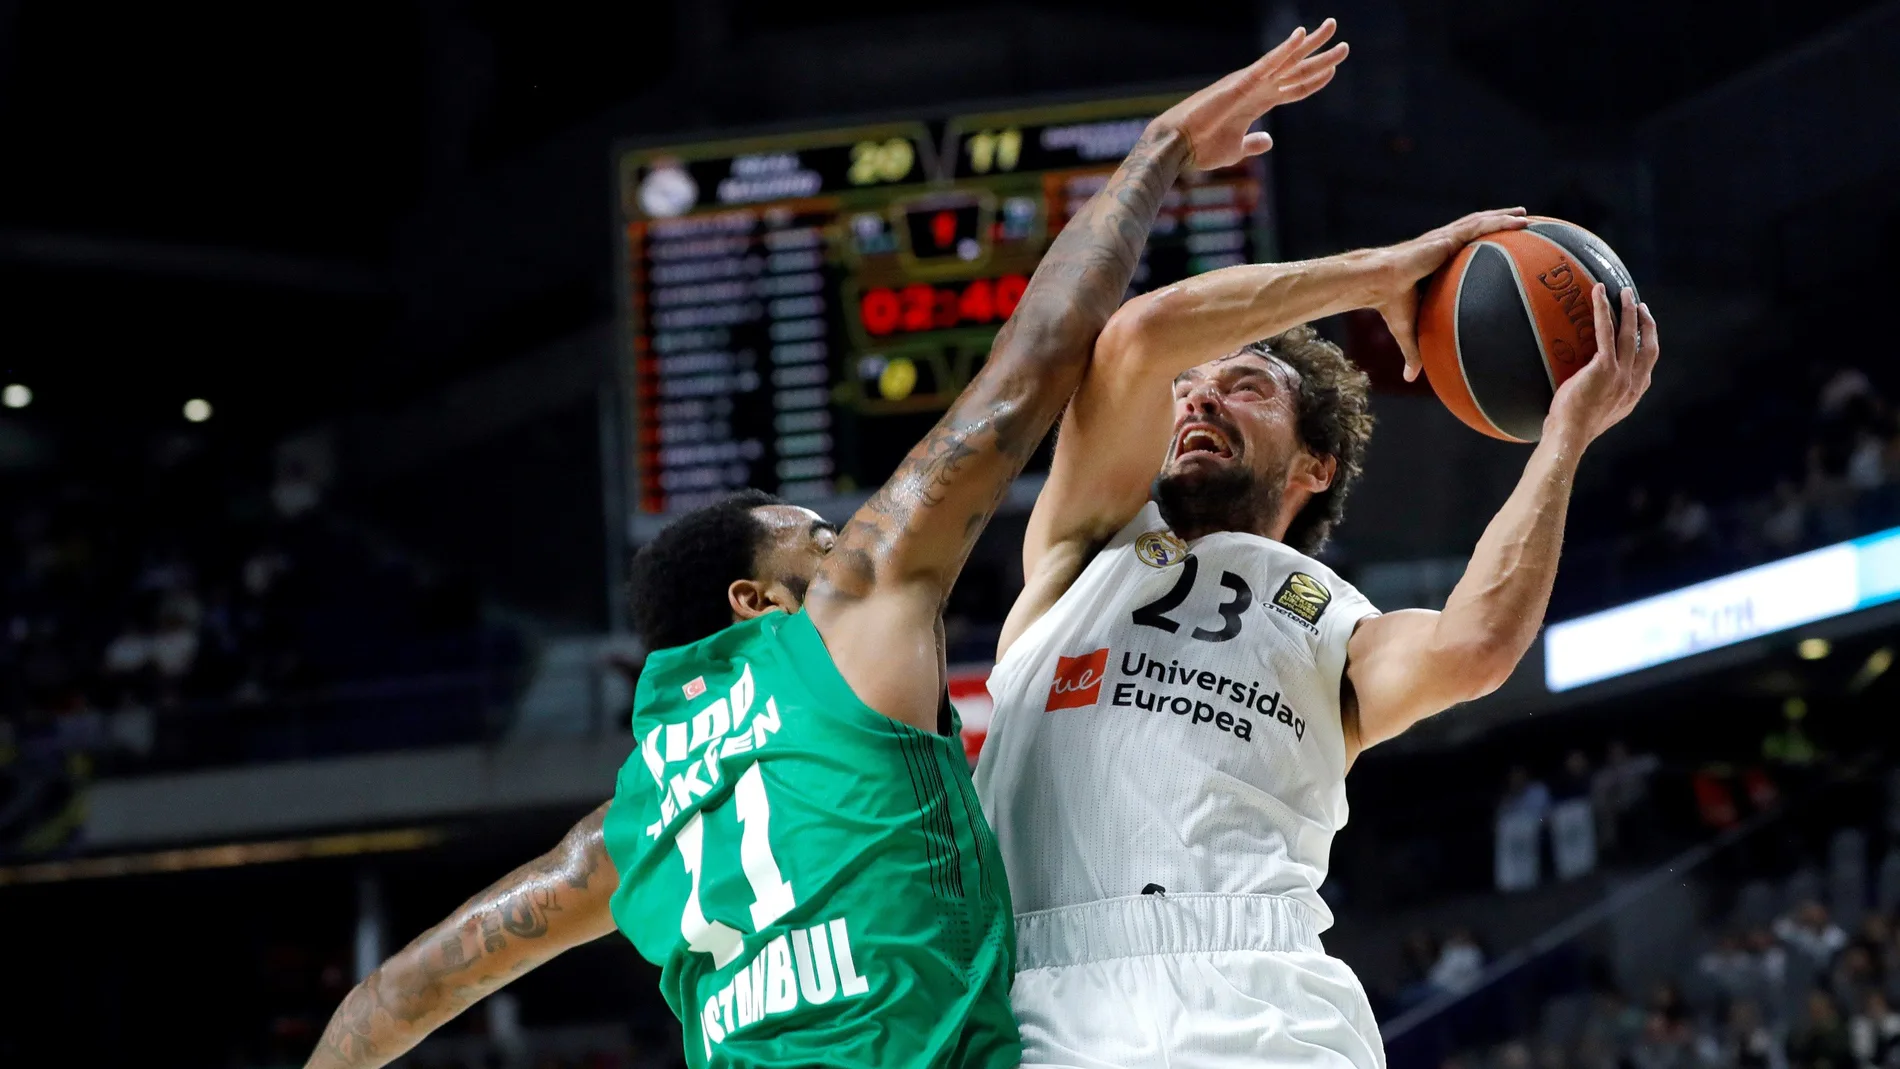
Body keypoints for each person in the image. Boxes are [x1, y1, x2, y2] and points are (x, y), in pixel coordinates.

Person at [303, 26, 1351, 1069]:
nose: (846, 546)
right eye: (818, 543)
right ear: (758, 602)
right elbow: (1036, 357)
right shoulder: (845, 632)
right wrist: (1161, 148)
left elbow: (398, 993)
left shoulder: (628, 826)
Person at [976, 162, 1659, 1065]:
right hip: (1044, 997)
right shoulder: (1083, 546)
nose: (1200, 396)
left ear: (1316, 464)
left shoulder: (1340, 625)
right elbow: (1138, 336)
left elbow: (1476, 646)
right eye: (1191, 386)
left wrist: (1563, 439)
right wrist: (1378, 273)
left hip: (1264, 995)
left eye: (1247, 385)